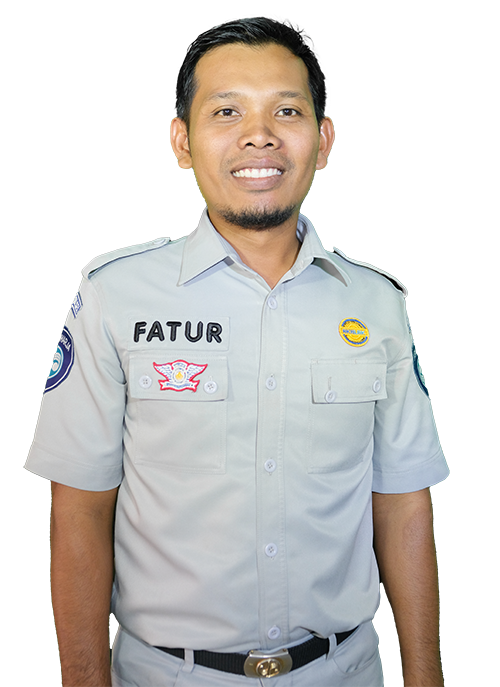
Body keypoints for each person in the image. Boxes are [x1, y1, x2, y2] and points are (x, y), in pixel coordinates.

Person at [25, 14, 449, 687]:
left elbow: (401, 503)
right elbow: (80, 510)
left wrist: (425, 676)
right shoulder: (115, 295)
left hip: (344, 671)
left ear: (323, 141)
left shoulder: (378, 305)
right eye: (227, 111)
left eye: (287, 110)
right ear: (183, 142)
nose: (260, 134)